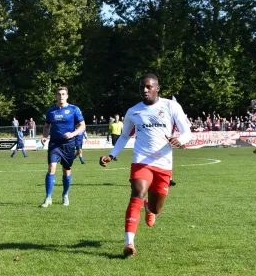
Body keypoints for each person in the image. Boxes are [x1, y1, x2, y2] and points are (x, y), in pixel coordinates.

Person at [99, 73, 191, 258]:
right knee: (137, 194)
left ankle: (150, 208)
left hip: (163, 164)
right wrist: (111, 154)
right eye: (142, 87)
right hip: (141, 161)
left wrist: (179, 140)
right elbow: (125, 136)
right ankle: (129, 243)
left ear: (157, 88)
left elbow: (187, 131)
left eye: (149, 87)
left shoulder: (171, 106)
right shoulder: (133, 111)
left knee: (157, 208)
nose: (145, 90)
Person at [40, 86, 85, 207]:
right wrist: (44, 136)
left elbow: (82, 126)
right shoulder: (51, 111)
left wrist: (73, 134)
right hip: (54, 144)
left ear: (67, 96)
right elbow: (46, 126)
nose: (61, 96)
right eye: (59, 94)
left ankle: (65, 195)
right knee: (51, 167)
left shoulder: (74, 109)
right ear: (56, 96)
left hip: (68, 145)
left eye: (63, 94)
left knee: (66, 171)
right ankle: (48, 197)